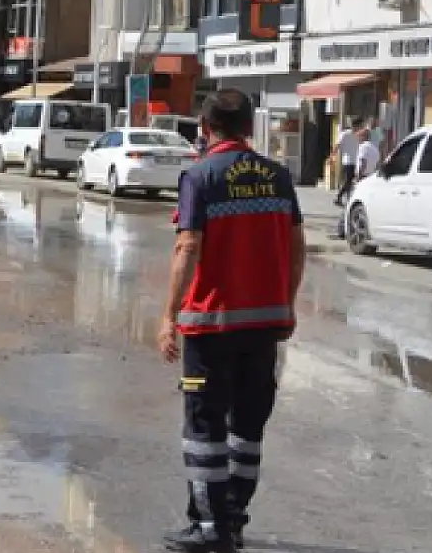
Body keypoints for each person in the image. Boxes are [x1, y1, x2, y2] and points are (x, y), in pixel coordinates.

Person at [157, 89, 307, 553]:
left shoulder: (200, 177)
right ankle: (234, 520)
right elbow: (298, 247)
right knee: (247, 426)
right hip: (264, 327)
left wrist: (168, 316)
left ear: (205, 129)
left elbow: (187, 247)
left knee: (205, 428)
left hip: (211, 326)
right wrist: (286, 303)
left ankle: (209, 529)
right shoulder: (278, 178)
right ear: (248, 127)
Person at [333, 118, 364, 206]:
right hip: (348, 161)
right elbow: (337, 145)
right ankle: (338, 196)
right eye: (360, 126)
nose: (361, 127)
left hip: (356, 161)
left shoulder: (360, 135)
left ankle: (347, 199)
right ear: (356, 126)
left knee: (351, 182)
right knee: (348, 181)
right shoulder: (345, 134)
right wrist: (333, 156)